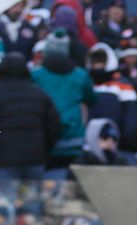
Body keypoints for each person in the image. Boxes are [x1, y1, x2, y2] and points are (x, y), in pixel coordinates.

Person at [0, 52, 61, 180]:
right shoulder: (40, 95)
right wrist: (45, 150)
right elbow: (55, 126)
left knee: (6, 199)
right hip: (34, 158)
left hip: (2, 159)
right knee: (32, 199)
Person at [31, 30, 94, 168]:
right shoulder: (80, 75)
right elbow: (92, 99)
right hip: (74, 136)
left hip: (45, 138)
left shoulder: (36, 76)